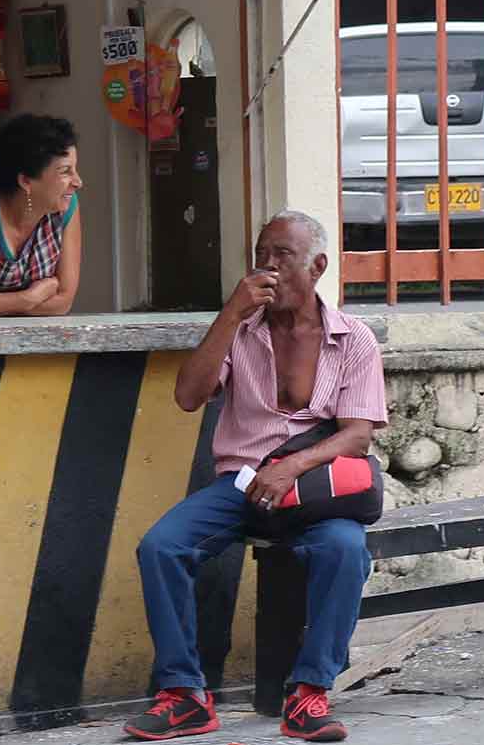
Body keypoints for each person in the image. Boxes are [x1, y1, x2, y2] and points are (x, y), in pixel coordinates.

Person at [124, 211, 387, 743]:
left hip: (314, 490)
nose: (267, 266)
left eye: (281, 256)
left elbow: (357, 436)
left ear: (316, 267)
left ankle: (310, 694)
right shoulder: (241, 330)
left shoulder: (353, 339)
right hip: (241, 484)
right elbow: (188, 397)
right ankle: (184, 695)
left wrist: (293, 465)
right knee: (161, 547)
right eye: (261, 254)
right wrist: (229, 313)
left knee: (345, 549)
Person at [0, 113, 83, 317]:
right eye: (65, 171)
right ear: (26, 181)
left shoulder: (65, 207)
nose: (77, 182)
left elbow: (63, 302)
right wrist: (27, 299)